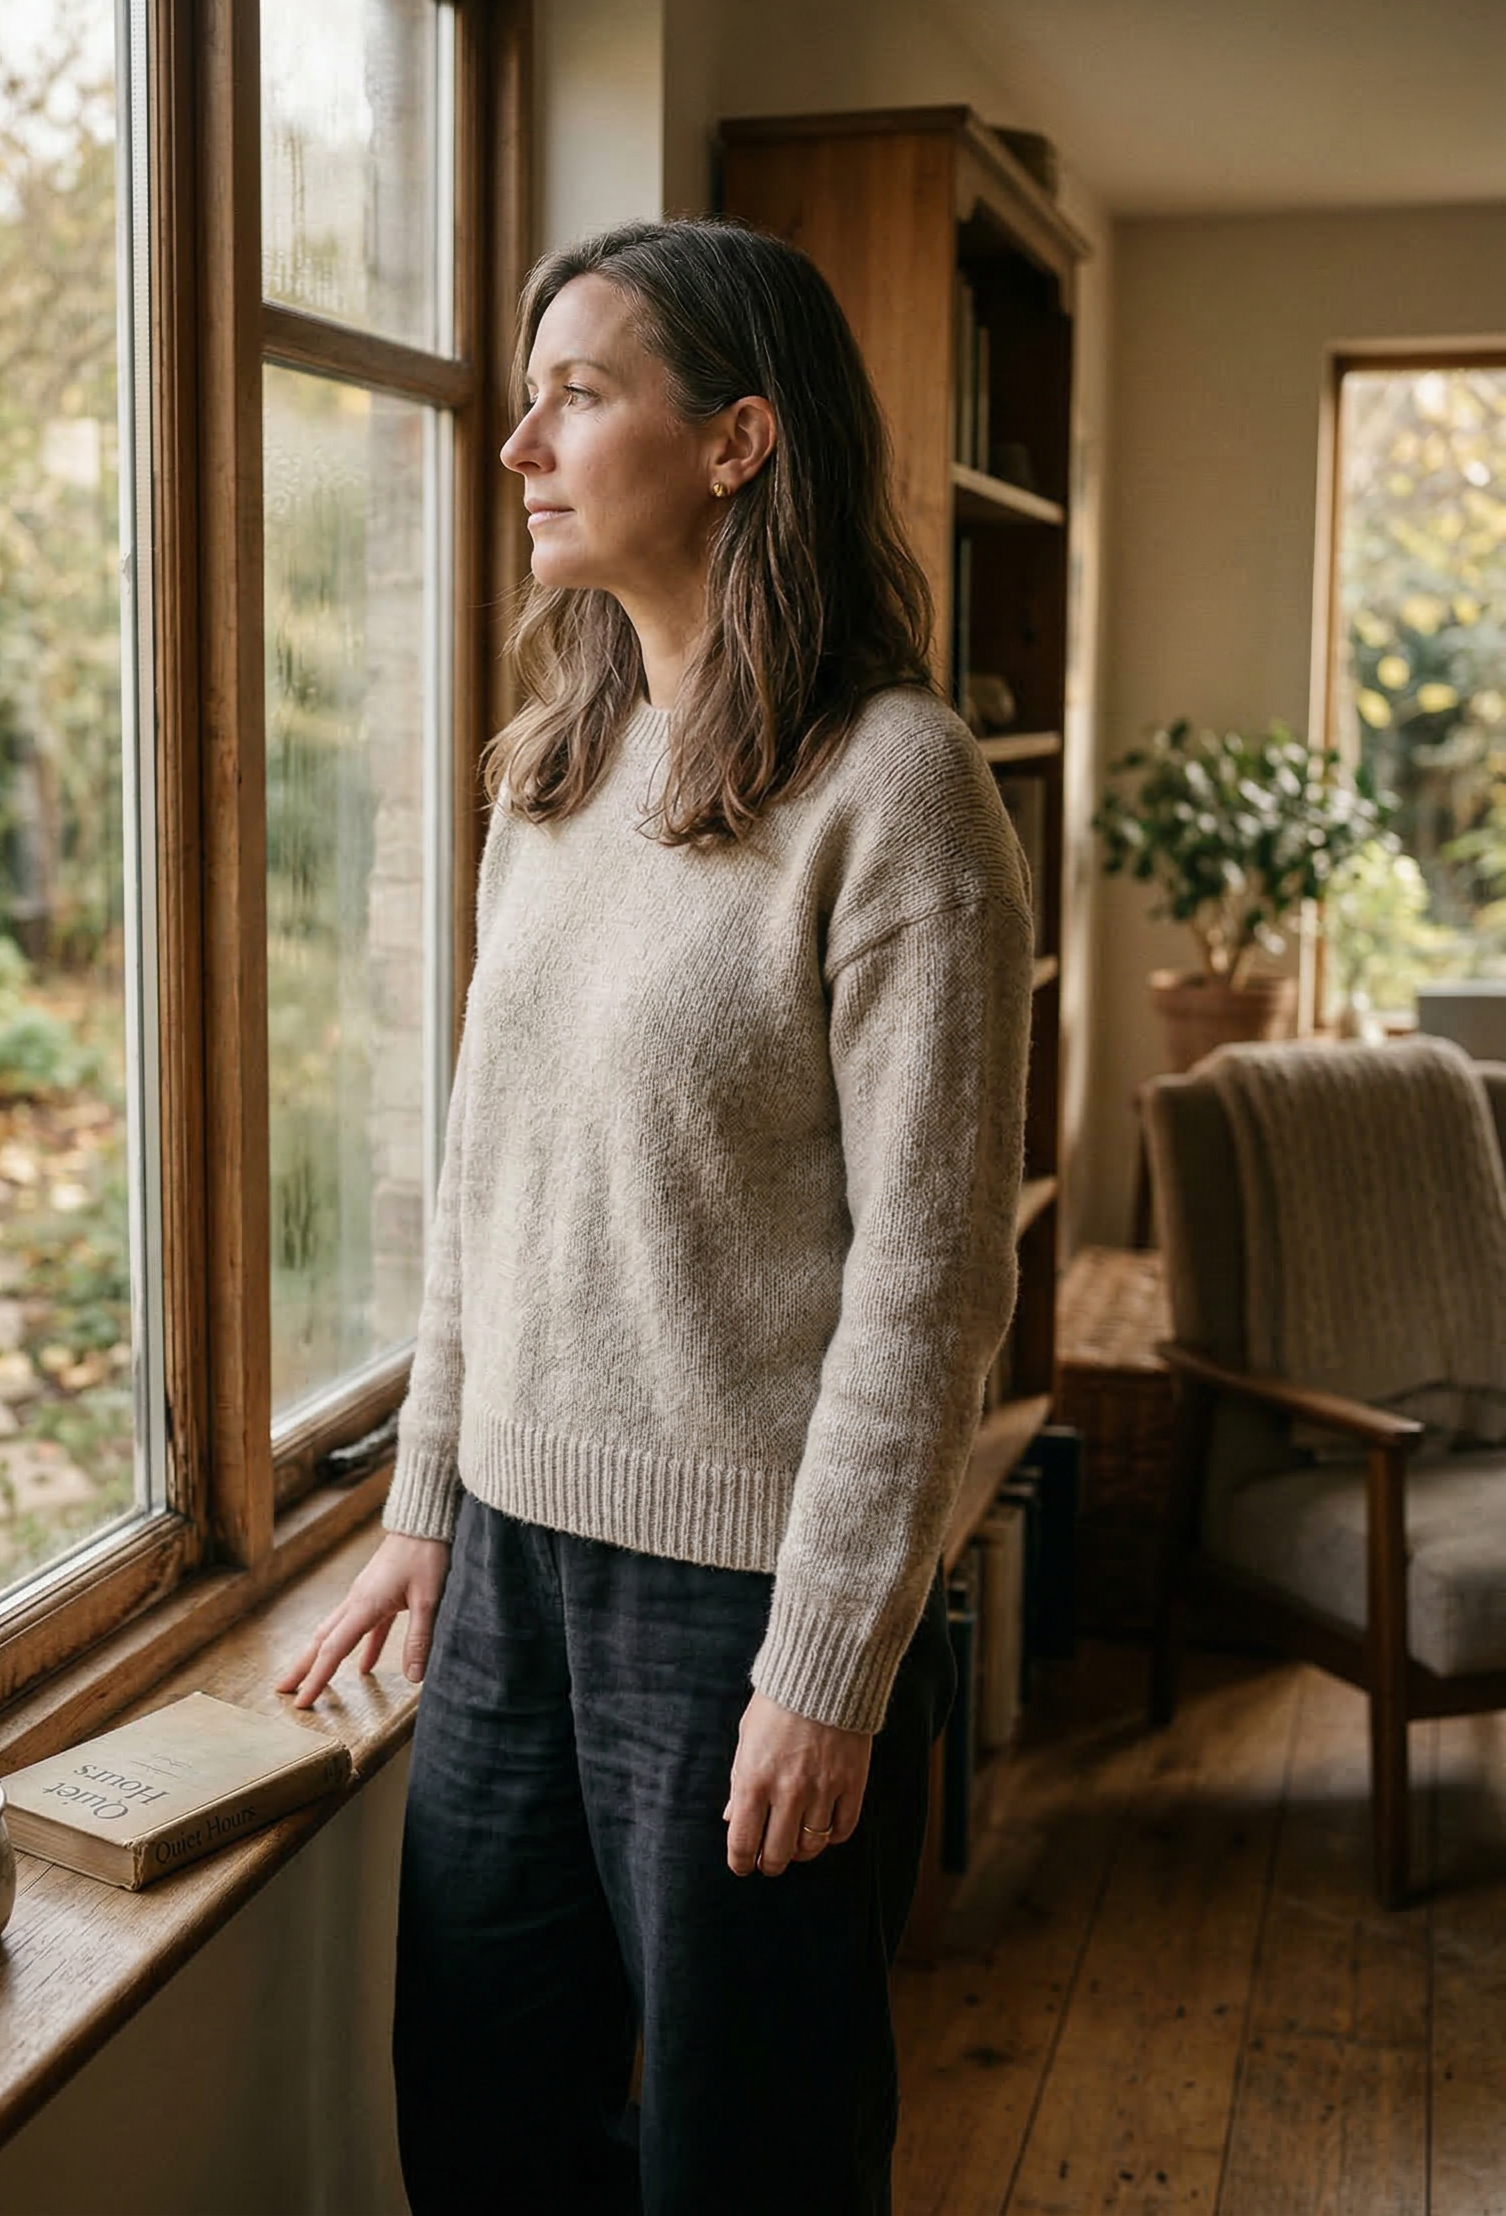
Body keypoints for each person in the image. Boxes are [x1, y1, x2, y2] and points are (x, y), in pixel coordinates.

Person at [277, 216, 1035, 2216]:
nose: (520, 441)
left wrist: (826, 1663)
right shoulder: (551, 772)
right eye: (524, 396)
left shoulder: (896, 792)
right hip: (512, 1573)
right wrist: (425, 1503)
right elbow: (483, 1175)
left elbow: (933, 1284)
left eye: (576, 392)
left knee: (746, 2155)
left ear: (734, 442)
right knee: (479, 2114)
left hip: (733, 1603)